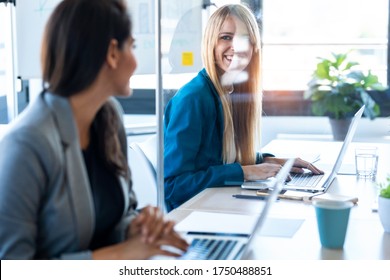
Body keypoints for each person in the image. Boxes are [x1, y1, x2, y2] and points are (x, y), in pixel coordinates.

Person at [0, 0, 187, 259]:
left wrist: (138, 228)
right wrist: (122, 254)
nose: (136, 62)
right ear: (112, 53)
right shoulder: (26, 143)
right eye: (132, 47)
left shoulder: (108, 117)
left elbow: (122, 212)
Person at [164, 4, 323, 211]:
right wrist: (245, 172)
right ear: (210, 43)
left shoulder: (231, 91)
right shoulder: (193, 99)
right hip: (194, 216)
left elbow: (217, 157)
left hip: (219, 204)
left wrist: (270, 161)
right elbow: (173, 187)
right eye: (226, 37)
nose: (236, 47)